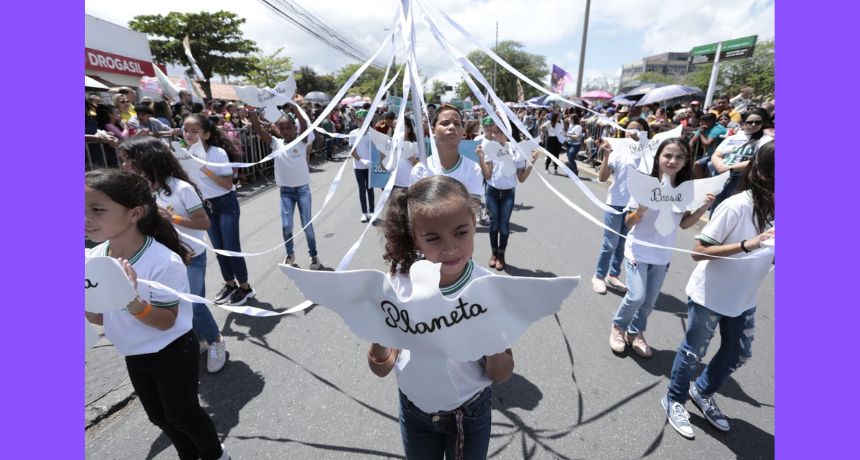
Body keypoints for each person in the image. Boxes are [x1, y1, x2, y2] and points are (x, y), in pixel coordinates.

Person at [85, 169, 229, 460]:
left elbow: (166, 321)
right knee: (160, 419)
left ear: (135, 213)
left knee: (184, 416)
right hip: (133, 352)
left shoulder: (163, 261)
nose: (85, 218)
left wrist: (130, 300)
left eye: (97, 210)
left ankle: (217, 455)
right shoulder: (94, 257)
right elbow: (99, 319)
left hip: (172, 350)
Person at [372, 175, 514, 459]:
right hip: (414, 409)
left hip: (470, 410)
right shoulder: (399, 284)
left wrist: (493, 336)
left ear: (475, 225)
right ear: (414, 236)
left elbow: (501, 373)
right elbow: (381, 366)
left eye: (461, 232)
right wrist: (380, 332)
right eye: (433, 238)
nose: (449, 248)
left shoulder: (489, 289)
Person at [662, 142, 775, 440]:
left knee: (738, 351)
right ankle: (674, 399)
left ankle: (702, 391)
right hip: (709, 295)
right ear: (764, 173)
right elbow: (699, 251)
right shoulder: (737, 205)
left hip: (744, 297)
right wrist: (747, 245)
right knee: (693, 352)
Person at [117, 137, 228, 374]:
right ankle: (195, 339)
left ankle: (216, 340)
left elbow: (204, 222)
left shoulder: (181, 188)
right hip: (163, 260)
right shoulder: (140, 190)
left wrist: (172, 218)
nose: (124, 166)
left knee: (194, 305)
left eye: (128, 161)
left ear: (147, 160)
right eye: (123, 161)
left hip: (191, 257)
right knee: (172, 306)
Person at [609, 138, 715, 358]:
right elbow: (628, 223)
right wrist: (640, 211)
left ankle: (635, 332)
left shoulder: (686, 191)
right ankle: (618, 327)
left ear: (686, 162)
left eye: (679, 157)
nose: (672, 160)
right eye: (668, 155)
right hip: (638, 250)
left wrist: (704, 206)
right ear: (658, 157)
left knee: (649, 302)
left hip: (662, 255)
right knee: (636, 296)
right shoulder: (643, 185)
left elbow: (685, 224)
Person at [182, 114, 256, 306]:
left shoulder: (217, 153)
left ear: (206, 134)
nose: (188, 134)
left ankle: (245, 288)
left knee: (231, 248)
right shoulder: (185, 153)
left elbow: (226, 184)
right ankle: (230, 284)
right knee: (219, 248)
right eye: (185, 130)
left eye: (194, 131)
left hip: (226, 203)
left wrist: (203, 169)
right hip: (206, 206)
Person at [248, 106, 323, 269]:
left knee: (306, 225)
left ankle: (314, 255)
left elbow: (303, 124)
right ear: (278, 130)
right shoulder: (276, 143)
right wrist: (252, 113)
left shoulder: (301, 140)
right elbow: (259, 131)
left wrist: (295, 108)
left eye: (289, 127)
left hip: (302, 190)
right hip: (286, 192)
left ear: (295, 128)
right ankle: (290, 254)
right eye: (282, 128)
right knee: (286, 226)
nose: (286, 131)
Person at [592, 119, 651, 295]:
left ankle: (613, 274)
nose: (632, 132)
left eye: (638, 130)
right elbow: (602, 178)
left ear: (645, 133)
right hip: (616, 202)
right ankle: (599, 276)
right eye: (629, 129)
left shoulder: (649, 155)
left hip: (636, 205)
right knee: (610, 243)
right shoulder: (617, 152)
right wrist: (606, 155)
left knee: (623, 244)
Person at [480, 117, 539, 270]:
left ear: (507, 133)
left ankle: (501, 255)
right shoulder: (490, 148)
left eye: (497, 132)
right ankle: (493, 253)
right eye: (493, 131)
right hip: (492, 191)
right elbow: (487, 176)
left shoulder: (517, 150)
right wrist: (481, 159)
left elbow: (521, 178)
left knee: (504, 227)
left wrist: (532, 162)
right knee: (494, 226)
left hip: (508, 194)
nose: (493, 135)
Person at [410, 104, 486, 207]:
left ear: (463, 131)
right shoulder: (420, 169)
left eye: (457, 124)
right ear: (433, 130)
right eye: (445, 123)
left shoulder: (473, 169)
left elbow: (473, 209)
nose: (452, 127)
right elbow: (415, 209)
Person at [710, 108, 773, 214]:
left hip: (742, 178)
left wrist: (730, 168)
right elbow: (717, 154)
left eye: (757, 122)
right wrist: (721, 167)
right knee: (716, 206)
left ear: (763, 123)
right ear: (743, 123)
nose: (753, 125)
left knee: (731, 209)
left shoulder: (766, 140)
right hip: (721, 175)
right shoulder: (732, 138)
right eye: (750, 122)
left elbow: (758, 160)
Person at [348, 109, 376, 222]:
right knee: (362, 189)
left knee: (370, 189)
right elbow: (353, 151)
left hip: (370, 166)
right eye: (360, 120)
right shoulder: (353, 134)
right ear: (357, 121)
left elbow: (376, 149)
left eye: (364, 120)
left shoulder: (372, 133)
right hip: (359, 166)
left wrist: (373, 161)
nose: (362, 122)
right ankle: (364, 212)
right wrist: (362, 160)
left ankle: (372, 211)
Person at [691, 113, 727, 179]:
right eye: (701, 122)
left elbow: (707, 144)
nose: (701, 124)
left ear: (711, 122)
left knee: (710, 166)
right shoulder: (703, 127)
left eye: (703, 122)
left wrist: (702, 134)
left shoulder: (718, 129)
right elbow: (692, 141)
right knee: (697, 165)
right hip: (710, 155)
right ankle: (702, 182)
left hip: (720, 156)